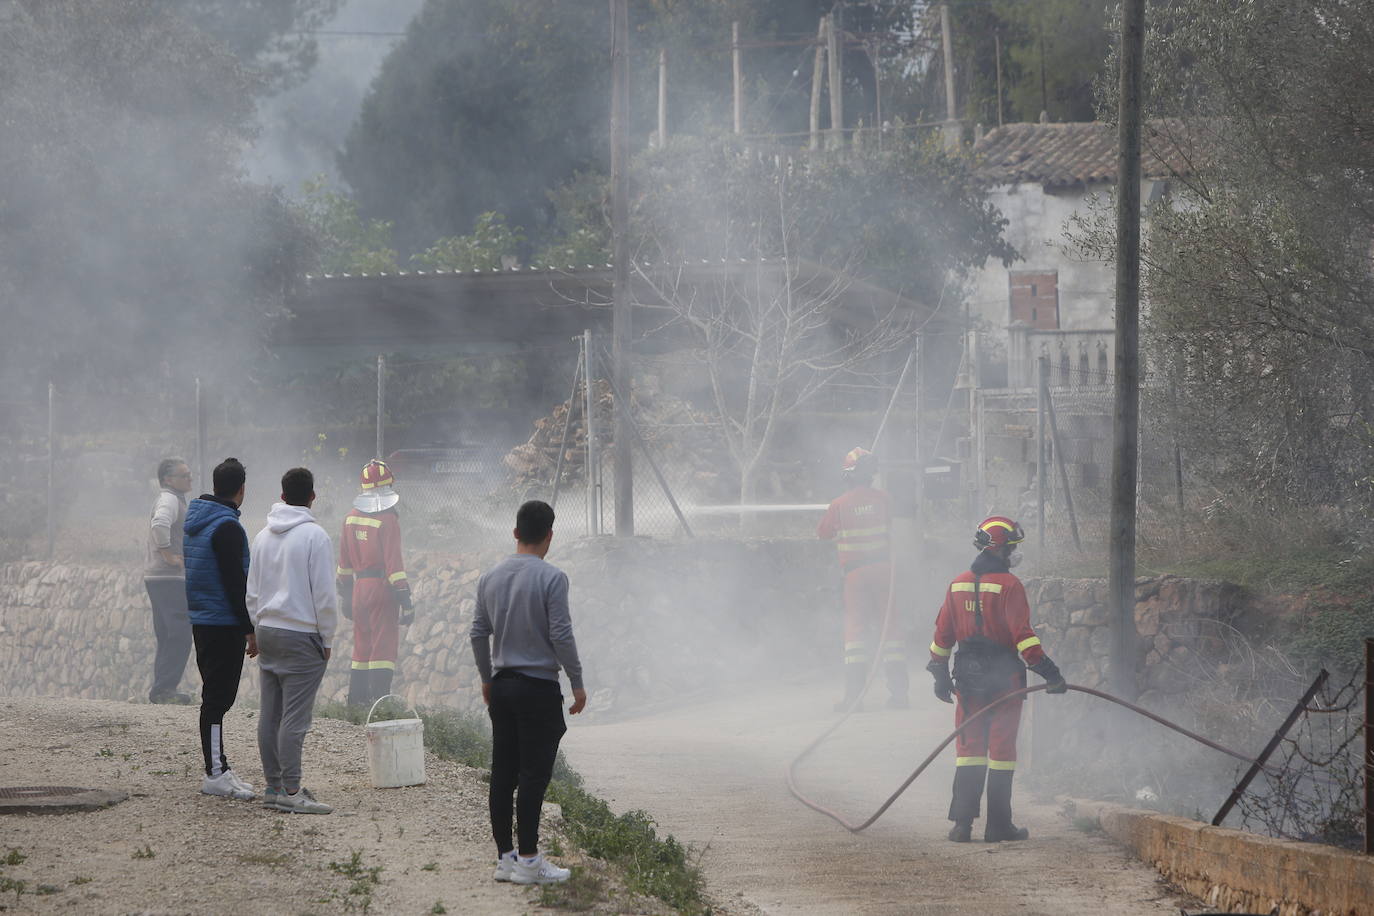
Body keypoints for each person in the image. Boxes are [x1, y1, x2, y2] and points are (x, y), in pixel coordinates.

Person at [926, 516, 1067, 843]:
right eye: (1013, 548)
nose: (1015, 554)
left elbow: (942, 636)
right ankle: (998, 825)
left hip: (966, 678)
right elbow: (1024, 639)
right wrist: (1051, 674)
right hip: (1004, 680)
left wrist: (939, 673)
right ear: (1000, 549)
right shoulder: (1010, 586)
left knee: (969, 748)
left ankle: (962, 825)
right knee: (1002, 751)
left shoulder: (957, 583)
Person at [470, 500, 586, 886]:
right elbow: (561, 635)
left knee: (503, 774)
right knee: (534, 777)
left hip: (502, 688)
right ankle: (531, 861)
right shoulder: (553, 578)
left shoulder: (490, 577)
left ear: (516, 533)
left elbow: (477, 632)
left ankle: (506, 858)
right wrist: (577, 681)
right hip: (538, 689)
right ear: (549, 537)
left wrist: (487, 678)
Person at [246, 467, 338, 815]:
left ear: (282, 496)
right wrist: (326, 636)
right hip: (301, 634)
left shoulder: (262, 536)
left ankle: (273, 787)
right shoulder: (316, 537)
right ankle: (293, 790)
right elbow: (325, 596)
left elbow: (252, 591)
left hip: (268, 630)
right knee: (295, 719)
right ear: (312, 497)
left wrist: (256, 628)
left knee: (270, 714)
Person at [183, 457, 257, 801]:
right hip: (223, 623)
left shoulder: (199, 521)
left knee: (216, 698)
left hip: (203, 619)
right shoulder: (227, 526)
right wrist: (248, 627)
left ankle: (221, 768)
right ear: (241, 490)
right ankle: (214, 773)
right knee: (217, 700)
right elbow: (234, 582)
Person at [816, 446, 906, 711]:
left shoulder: (839, 504)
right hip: (883, 570)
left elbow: (823, 534)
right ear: (872, 474)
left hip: (855, 574)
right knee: (890, 629)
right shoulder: (885, 498)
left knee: (855, 631)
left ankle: (854, 699)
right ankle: (899, 696)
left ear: (848, 475)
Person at [336, 459, 413, 709]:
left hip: (359, 589)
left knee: (362, 646)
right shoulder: (388, 519)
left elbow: (343, 565)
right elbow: (394, 566)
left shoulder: (349, 518)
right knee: (383, 646)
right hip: (381, 589)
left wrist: (346, 597)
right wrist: (406, 600)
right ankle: (379, 704)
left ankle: (356, 702)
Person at [145, 457, 194, 704]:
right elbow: (160, 524)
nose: (189, 478)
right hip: (168, 577)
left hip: (158, 577)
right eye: (184, 475)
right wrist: (169, 555)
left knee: (167, 633)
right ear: (168, 479)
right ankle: (164, 688)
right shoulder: (169, 500)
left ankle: (161, 688)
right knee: (180, 633)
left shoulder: (173, 499)